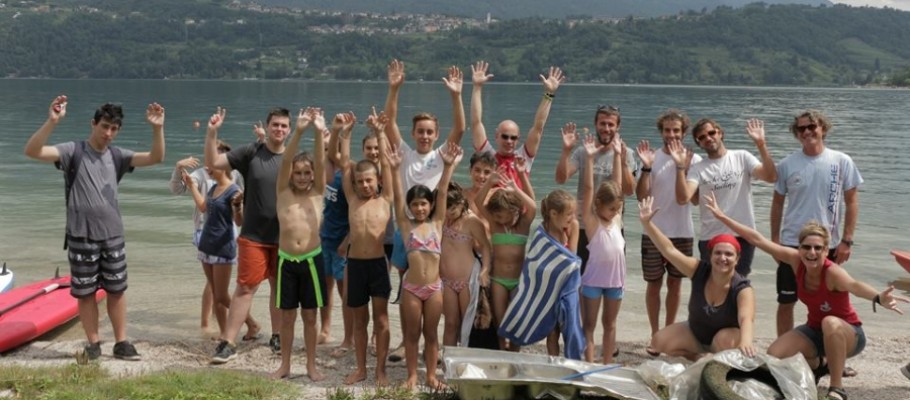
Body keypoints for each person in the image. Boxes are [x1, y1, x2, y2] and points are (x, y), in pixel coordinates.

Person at [704, 192, 908, 400]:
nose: (812, 252)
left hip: (849, 334)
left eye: (818, 248)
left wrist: (877, 298)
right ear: (799, 248)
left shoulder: (832, 273)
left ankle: (837, 388)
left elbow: (854, 285)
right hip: (814, 332)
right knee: (775, 355)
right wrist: (722, 217)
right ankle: (821, 365)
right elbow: (758, 239)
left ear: (826, 251)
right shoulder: (795, 261)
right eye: (806, 247)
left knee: (830, 322)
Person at [24, 95, 166, 361]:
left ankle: (122, 342)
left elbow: (156, 157)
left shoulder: (117, 156)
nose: (108, 133)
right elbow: (32, 151)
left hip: (112, 235)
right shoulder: (72, 151)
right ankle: (93, 343)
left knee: (117, 290)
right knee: (86, 292)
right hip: (81, 235)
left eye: (114, 129)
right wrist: (52, 121)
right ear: (94, 124)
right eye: (104, 127)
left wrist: (157, 128)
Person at [383, 59, 466, 362]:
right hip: (407, 228)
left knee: (434, 287)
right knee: (407, 285)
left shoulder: (441, 155)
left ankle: (433, 345)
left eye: (430, 132)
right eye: (420, 131)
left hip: (435, 229)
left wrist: (456, 95)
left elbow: (460, 128)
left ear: (435, 133)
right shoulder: (404, 153)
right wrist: (394, 89)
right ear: (414, 132)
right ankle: (407, 343)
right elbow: (389, 121)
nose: (425, 136)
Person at [206, 106, 287, 363]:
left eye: (284, 125)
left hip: (285, 237)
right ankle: (228, 342)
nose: (279, 129)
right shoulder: (252, 152)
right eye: (275, 124)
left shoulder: (294, 156)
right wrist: (211, 133)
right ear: (268, 125)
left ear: (289, 129)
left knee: (279, 289)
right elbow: (214, 163)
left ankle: (277, 336)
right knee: (245, 288)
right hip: (254, 236)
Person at [772, 110, 863, 338]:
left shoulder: (841, 161)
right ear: (797, 134)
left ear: (822, 128)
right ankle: (785, 355)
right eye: (801, 129)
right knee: (786, 301)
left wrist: (847, 240)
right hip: (792, 243)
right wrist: (775, 241)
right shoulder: (786, 165)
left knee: (832, 302)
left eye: (812, 126)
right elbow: (777, 205)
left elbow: (851, 202)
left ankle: (833, 353)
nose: (807, 132)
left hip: (827, 245)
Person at [637, 196, 756, 361]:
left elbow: (746, 319)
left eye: (729, 254)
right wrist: (647, 224)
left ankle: (718, 360)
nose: (723, 258)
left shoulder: (742, 288)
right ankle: (698, 357)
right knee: (659, 341)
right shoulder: (699, 270)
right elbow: (670, 251)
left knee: (723, 340)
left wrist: (745, 342)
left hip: (725, 340)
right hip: (696, 334)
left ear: (737, 259)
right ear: (710, 255)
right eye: (718, 253)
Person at [387, 139, 462, 390]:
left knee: (431, 335)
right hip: (411, 288)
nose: (419, 208)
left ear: (430, 206)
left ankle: (431, 376)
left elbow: (441, 189)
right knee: (411, 334)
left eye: (423, 203)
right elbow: (398, 195)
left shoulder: (437, 223)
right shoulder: (406, 224)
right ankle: (411, 376)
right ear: (409, 207)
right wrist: (396, 169)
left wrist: (448, 166)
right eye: (415, 204)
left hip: (434, 289)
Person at [169, 143, 259, 340]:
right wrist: (190, 184)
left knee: (220, 295)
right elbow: (202, 207)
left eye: (215, 163)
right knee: (216, 293)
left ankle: (250, 324)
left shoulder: (234, 187)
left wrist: (238, 207)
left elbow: (238, 219)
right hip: (206, 242)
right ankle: (222, 331)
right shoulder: (210, 186)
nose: (209, 166)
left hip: (223, 243)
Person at [269, 107, 329, 381]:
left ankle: (311, 365)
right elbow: (285, 161)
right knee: (287, 318)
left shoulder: (317, 192)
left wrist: (318, 132)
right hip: (286, 261)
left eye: (307, 173)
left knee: (310, 316)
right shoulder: (283, 192)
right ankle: (285, 365)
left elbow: (319, 158)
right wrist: (300, 130)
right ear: (291, 175)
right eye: (299, 173)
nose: (303, 177)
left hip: (312, 260)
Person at [675, 118, 777, 277]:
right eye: (701, 137)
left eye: (711, 133)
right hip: (711, 236)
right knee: (712, 287)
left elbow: (770, 177)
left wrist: (761, 144)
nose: (708, 138)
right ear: (699, 143)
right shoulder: (698, 169)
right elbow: (683, 198)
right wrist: (680, 167)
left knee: (739, 284)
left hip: (743, 235)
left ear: (720, 133)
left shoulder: (742, 157)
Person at [634, 109, 699, 356]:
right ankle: (655, 334)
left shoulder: (694, 159)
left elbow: (691, 201)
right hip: (653, 230)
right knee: (653, 284)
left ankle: (670, 332)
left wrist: (682, 166)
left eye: (676, 130)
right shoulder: (651, 158)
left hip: (682, 231)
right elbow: (641, 196)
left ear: (684, 132)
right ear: (661, 131)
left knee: (675, 283)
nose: (671, 135)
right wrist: (647, 168)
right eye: (667, 130)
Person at [340, 112, 395, 386]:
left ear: (378, 181)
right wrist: (347, 133)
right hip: (356, 266)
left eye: (369, 180)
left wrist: (382, 133)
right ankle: (361, 368)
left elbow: (385, 162)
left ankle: (380, 370)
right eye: (360, 181)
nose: (364, 184)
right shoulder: (352, 199)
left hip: (377, 264)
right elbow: (344, 164)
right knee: (359, 321)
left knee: (381, 320)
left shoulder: (386, 199)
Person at [498, 189, 583, 359]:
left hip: (564, 286)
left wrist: (563, 267)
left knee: (563, 330)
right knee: (537, 325)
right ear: (553, 213)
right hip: (543, 289)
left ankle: (564, 362)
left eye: (573, 213)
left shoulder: (573, 227)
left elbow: (571, 259)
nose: (571, 217)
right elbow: (534, 262)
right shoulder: (541, 231)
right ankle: (517, 359)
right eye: (568, 214)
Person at [555, 106, 636, 274]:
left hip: (612, 226)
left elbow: (628, 190)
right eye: (603, 124)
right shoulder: (583, 152)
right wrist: (565, 151)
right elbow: (561, 179)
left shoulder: (626, 153)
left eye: (611, 125)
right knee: (579, 277)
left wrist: (621, 159)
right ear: (596, 124)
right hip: (584, 226)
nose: (606, 129)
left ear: (617, 127)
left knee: (610, 278)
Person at [471, 60, 564, 189]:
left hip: (519, 209)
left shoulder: (523, 158)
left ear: (518, 139)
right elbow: (476, 123)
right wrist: (477, 87)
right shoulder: (488, 156)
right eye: (505, 136)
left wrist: (549, 94)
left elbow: (538, 127)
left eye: (513, 138)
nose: (509, 141)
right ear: (496, 136)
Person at [475, 159, 536, 351]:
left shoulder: (523, 225)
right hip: (498, 280)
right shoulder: (495, 225)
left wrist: (517, 184)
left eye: (501, 216)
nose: (497, 219)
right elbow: (478, 202)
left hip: (518, 281)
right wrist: (490, 181)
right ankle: (502, 353)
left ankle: (514, 356)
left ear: (513, 211)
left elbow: (533, 206)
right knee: (500, 323)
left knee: (517, 323)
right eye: (495, 216)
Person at [576, 132, 625, 364]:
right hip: (593, 282)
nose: (615, 212)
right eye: (611, 209)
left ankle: (606, 365)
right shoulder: (592, 221)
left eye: (618, 208)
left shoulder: (616, 219)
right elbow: (587, 189)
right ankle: (588, 362)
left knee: (611, 324)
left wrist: (617, 155)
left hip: (615, 282)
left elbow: (617, 185)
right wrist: (589, 159)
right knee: (589, 325)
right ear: (598, 205)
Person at [440, 182, 491, 349]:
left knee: (467, 325)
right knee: (450, 323)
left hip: (467, 280)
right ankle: (448, 365)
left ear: (461, 203)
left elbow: (485, 246)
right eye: (445, 209)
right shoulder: (443, 218)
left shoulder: (472, 221)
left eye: (452, 209)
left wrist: (485, 270)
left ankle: (465, 363)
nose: (448, 213)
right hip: (447, 281)